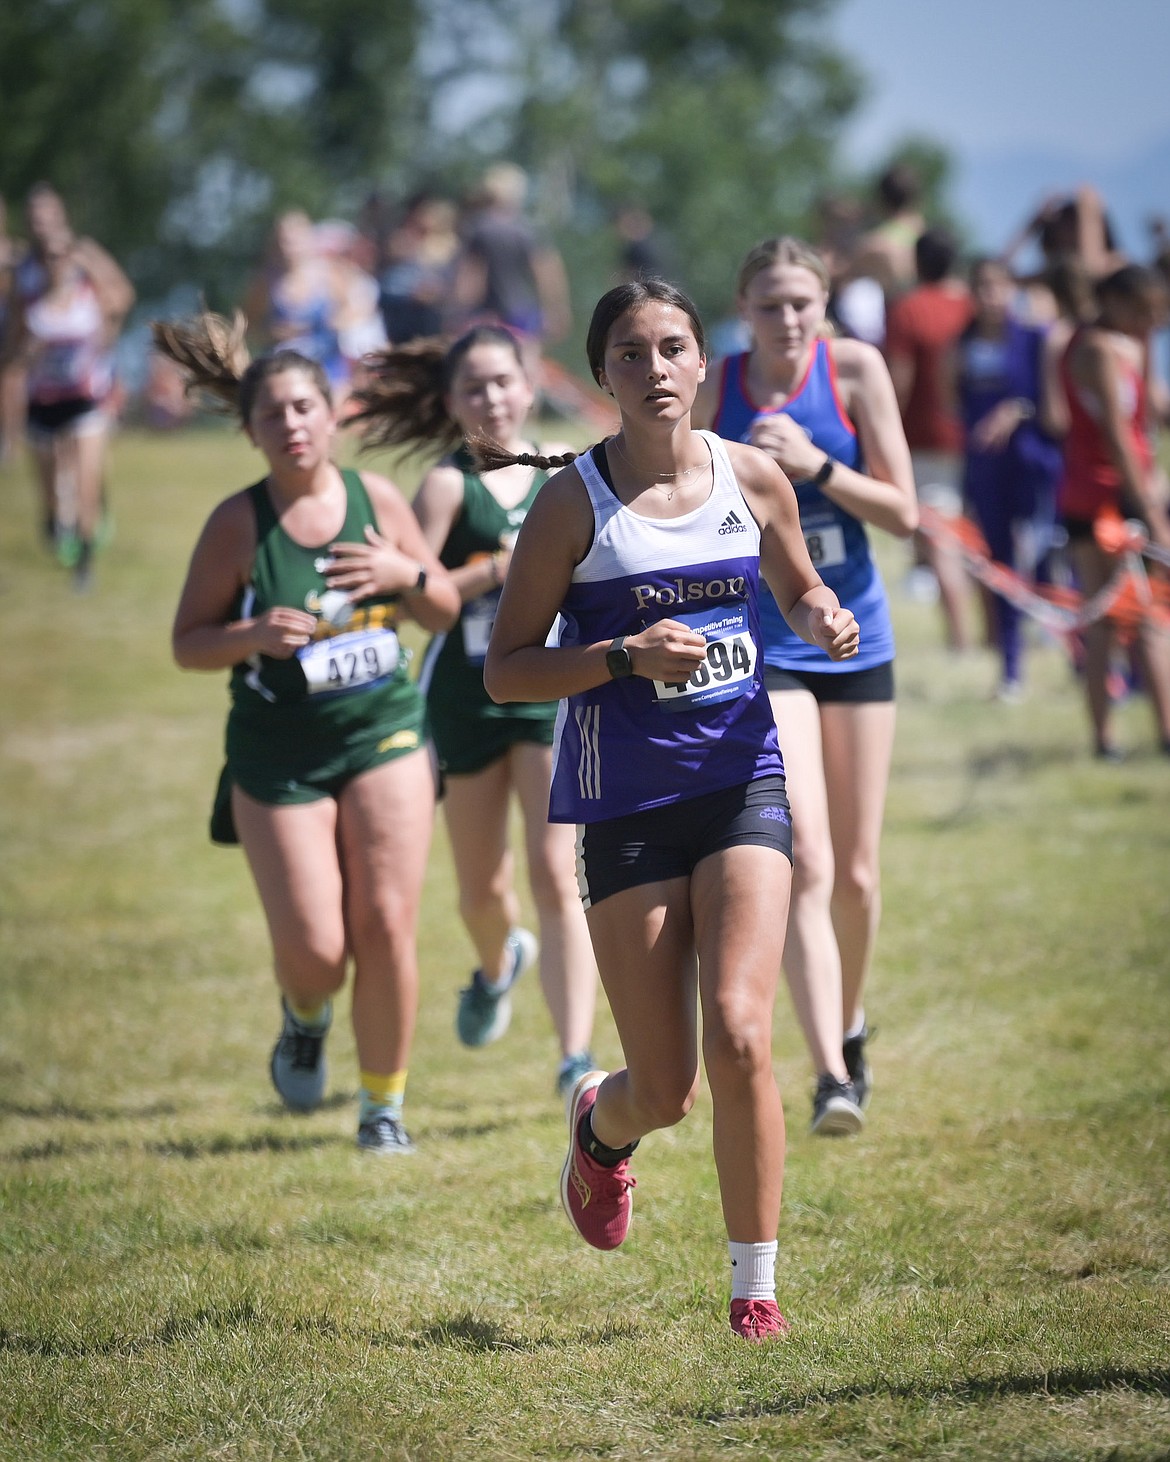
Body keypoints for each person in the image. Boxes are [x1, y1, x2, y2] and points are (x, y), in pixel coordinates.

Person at [482, 278, 860, 1341]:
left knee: (743, 1028)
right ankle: (602, 1133)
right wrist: (617, 658)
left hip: (744, 777)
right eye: (632, 353)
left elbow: (795, 588)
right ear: (602, 374)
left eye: (674, 347)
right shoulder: (572, 503)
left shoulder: (755, 479)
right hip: (624, 805)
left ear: (705, 363)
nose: (655, 369)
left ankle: (755, 1288)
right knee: (666, 1085)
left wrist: (824, 615)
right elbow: (506, 672)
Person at [154, 309, 460, 1153]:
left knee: (388, 924)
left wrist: (407, 572)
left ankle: (383, 1107)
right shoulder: (237, 525)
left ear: (331, 416)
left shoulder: (377, 499)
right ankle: (305, 1014)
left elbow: (440, 610)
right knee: (320, 951)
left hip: (385, 734)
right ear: (251, 432)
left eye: (303, 408)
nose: (290, 425)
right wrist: (251, 636)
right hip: (278, 754)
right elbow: (187, 644)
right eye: (271, 414)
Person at [694, 237, 918, 1135]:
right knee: (812, 860)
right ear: (743, 312)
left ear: (824, 306)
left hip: (856, 637)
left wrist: (815, 465)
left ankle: (849, 1024)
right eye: (770, 305)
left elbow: (904, 513)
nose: (788, 320)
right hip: (771, 641)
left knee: (860, 873)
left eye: (802, 303)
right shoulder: (725, 387)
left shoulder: (855, 371)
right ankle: (831, 1073)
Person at [349, 324, 599, 1097]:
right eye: (474, 387)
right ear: (452, 403)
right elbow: (422, 604)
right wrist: (499, 565)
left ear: (530, 385)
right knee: (480, 891)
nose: (492, 397)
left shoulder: (569, 471)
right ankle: (498, 964)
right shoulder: (446, 487)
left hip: (551, 690)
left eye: (503, 381)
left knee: (559, 874)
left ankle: (573, 1058)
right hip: (468, 695)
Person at [1058, 265, 1170, 759]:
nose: (1152, 323)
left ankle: (1112, 739)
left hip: (1110, 493)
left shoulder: (1119, 343)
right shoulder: (1099, 348)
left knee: (1119, 619)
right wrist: (1152, 510)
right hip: (1105, 500)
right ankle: (1127, 737)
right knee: (1131, 619)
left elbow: (1149, 419)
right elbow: (1121, 435)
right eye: (1144, 312)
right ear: (1117, 302)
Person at [2, 183, 135, 587]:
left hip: (86, 399)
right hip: (43, 400)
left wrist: (109, 344)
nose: (41, 222)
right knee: (51, 489)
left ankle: (85, 561)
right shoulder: (23, 276)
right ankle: (55, 521)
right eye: (34, 214)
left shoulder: (86, 264)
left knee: (85, 479)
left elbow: (119, 301)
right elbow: (13, 345)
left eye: (48, 212)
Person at [953, 257, 1065, 699]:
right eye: (981, 286)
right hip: (986, 471)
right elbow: (953, 404)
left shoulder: (1038, 339)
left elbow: (1057, 414)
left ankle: (1079, 658)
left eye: (998, 286)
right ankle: (1011, 666)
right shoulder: (961, 345)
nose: (990, 296)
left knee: (1047, 560)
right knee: (998, 566)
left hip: (1033, 466)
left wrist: (1018, 410)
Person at [884, 226, 974, 649]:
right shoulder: (971, 306)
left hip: (925, 440)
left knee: (942, 545)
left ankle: (959, 639)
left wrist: (882, 435)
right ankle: (991, 635)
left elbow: (899, 382)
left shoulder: (908, 309)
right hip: (973, 440)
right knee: (975, 539)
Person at [450, 164, 571, 369]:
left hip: (487, 313)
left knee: (485, 367)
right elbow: (546, 272)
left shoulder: (478, 228)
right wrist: (557, 310)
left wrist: (455, 312)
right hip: (521, 311)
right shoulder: (527, 229)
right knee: (526, 368)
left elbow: (471, 276)